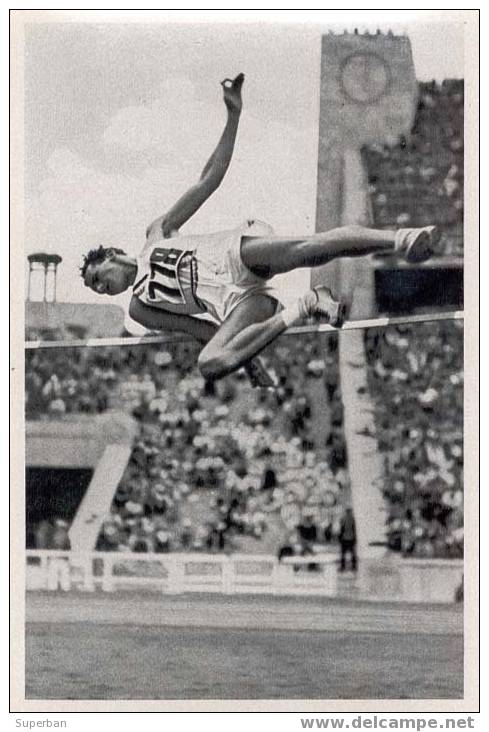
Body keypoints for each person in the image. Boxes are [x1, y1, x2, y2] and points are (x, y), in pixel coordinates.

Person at [81, 73, 439, 385]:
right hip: (237, 303)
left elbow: (208, 180)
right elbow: (203, 331)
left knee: (311, 248)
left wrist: (233, 115)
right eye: (98, 289)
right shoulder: (139, 308)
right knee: (210, 364)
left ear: (111, 255)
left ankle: (403, 238)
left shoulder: (156, 233)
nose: (103, 288)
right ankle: (307, 304)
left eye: (99, 277)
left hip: (233, 255)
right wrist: (246, 361)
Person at [338, 507, 358, 572]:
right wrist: (355, 538)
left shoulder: (343, 518)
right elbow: (354, 529)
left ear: (346, 511)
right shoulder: (353, 519)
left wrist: (340, 537)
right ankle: (354, 566)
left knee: (343, 553)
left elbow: (342, 529)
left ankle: (343, 567)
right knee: (353, 553)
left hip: (344, 538)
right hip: (351, 538)